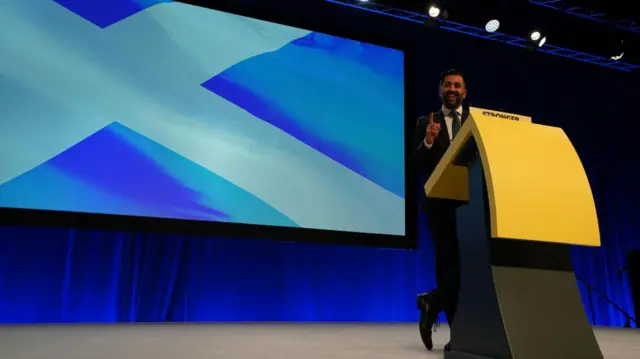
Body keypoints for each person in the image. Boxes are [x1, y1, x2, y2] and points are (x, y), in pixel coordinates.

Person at [413, 69, 469, 352]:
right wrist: (429, 141)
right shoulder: (426, 122)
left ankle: (432, 301)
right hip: (439, 206)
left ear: (464, 92)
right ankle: (459, 335)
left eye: (457, 85)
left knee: (466, 269)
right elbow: (415, 162)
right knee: (449, 264)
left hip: (472, 206)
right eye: (447, 84)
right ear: (440, 91)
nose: (452, 89)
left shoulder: (477, 123)